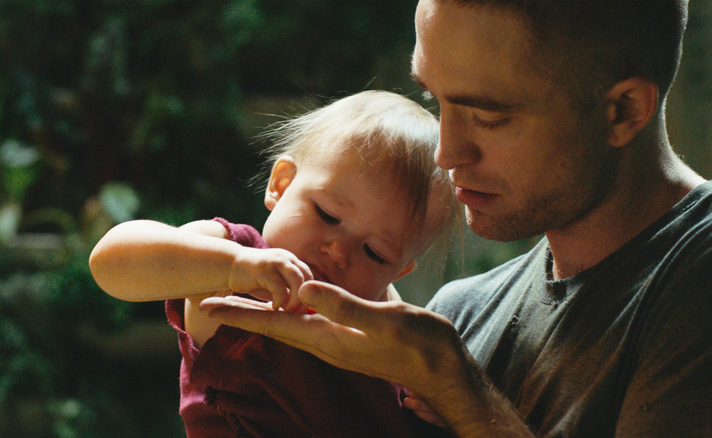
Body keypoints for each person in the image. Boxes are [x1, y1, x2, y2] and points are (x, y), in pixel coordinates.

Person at [198, 0, 712, 437]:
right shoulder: (458, 316)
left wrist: (462, 393)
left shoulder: (700, 275)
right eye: (433, 100)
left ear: (623, 111)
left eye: (488, 116)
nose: (446, 154)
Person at [89, 90, 459, 437]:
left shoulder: (382, 318)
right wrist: (234, 265)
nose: (338, 251)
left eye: (375, 252)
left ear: (400, 270)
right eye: (328, 215)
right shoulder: (235, 256)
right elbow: (111, 261)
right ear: (281, 185)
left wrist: (432, 406)